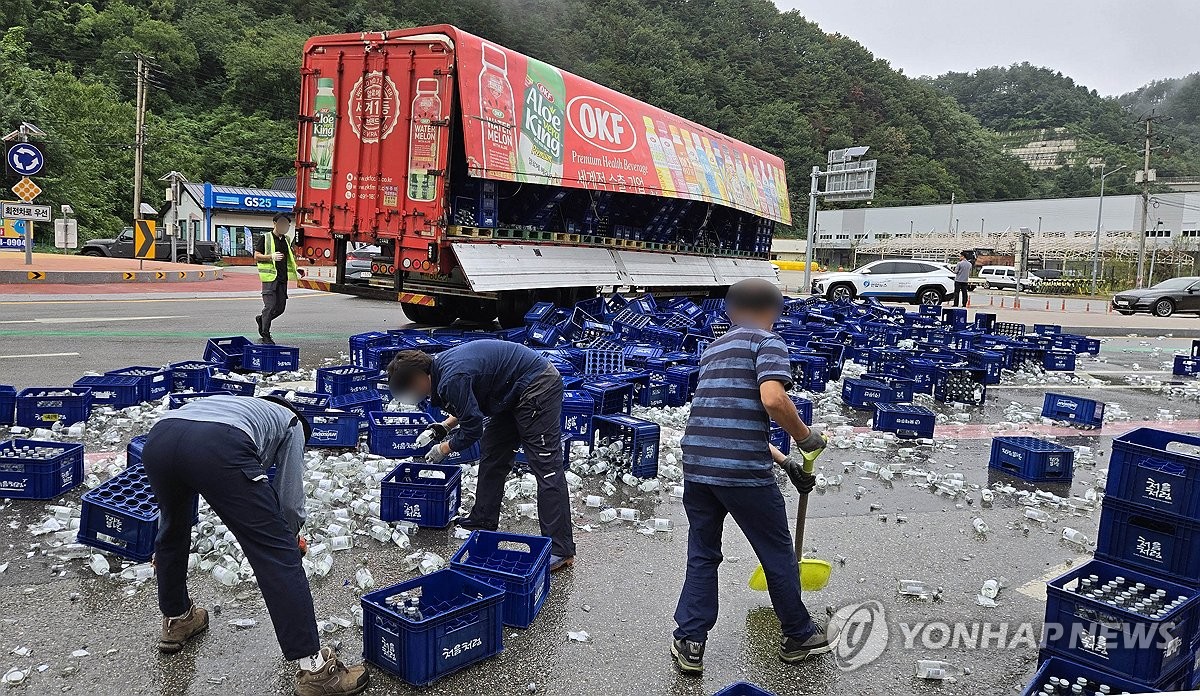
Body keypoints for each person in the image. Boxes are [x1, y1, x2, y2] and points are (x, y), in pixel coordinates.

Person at [141, 394, 369, 696]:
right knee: (277, 556)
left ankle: (178, 618)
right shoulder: (292, 424)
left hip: (160, 440)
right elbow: (289, 501)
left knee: (172, 530)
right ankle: (316, 671)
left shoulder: (240, 406)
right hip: (217, 447)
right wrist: (288, 539)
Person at [671, 278, 833, 675]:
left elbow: (727, 421)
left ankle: (690, 640)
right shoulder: (767, 341)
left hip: (699, 468)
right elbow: (773, 399)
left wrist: (784, 462)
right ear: (773, 312)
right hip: (742, 474)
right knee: (777, 553)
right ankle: (799, 634)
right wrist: (804, 437)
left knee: (703, 554)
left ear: (729, 311)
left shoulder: (713, 350)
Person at [386, 340, 576, 572]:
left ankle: (561, 549)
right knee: (493, 452)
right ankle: (483, 519)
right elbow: (469, 404)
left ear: (419, 378)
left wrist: (444, 448)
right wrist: (444, 427)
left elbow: (473, 429)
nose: (413, 395)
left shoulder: (450, 377)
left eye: (411, 388)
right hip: (511, 390)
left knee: (546, 466)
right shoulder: (441, 369)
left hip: (537, 385)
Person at [254, 213, 298, 344]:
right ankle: (265, 334)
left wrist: (297, 269)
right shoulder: (265, 238)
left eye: (287, 225)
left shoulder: (287, 240)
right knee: (270, 306)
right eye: (282, 224)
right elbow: (256, 256)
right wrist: (270, 256)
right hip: (270, 278)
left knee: (280, 308)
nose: (285, 227)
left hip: (282, 279)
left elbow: (290, 257)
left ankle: (262, 320)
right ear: (275, 223)